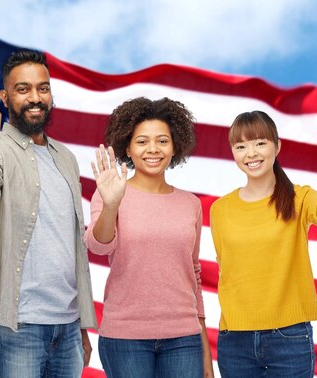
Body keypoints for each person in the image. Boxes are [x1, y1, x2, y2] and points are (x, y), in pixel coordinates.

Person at [0, 48, 97, 378]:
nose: (35, 97)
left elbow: (72, 246)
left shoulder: (66, 158)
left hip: (68, 327)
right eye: (23, 89)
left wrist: (82, 325)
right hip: (17, 324)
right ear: (5, 96)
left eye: (42, 88)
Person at [210, 103, 317, 376]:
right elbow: (227, 269)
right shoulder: (220, 210)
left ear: (277, 147)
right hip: (235, 340)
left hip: (289, 337)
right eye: (241, 146)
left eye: (260, 143)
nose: (251, 153)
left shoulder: (298, 197)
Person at [85, 97, 214, 378]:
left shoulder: (190, 204)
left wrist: (204, 346)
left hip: (184, 338)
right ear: (127, 149)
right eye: (142, 141)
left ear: (174, 146)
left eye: (162, 141)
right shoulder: (110, 194)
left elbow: (193, 274)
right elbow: (97, 245)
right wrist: (111, 205)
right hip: (125, 337)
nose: (152, 149)